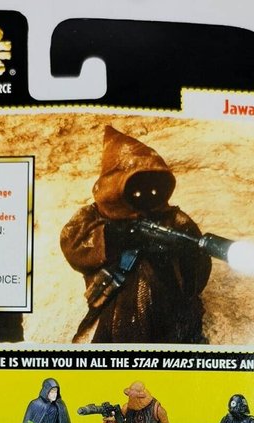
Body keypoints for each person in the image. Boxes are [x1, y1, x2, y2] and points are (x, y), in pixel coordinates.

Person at [60, 125, 212, 344]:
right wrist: (113, 236)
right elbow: (71, 242)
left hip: (169, 309)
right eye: (137, 186)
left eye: (153, 186)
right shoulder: (94, 215)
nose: (147, 194)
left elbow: (198, 270)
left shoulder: (173, 219)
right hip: (115, 306)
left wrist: (185, 255)